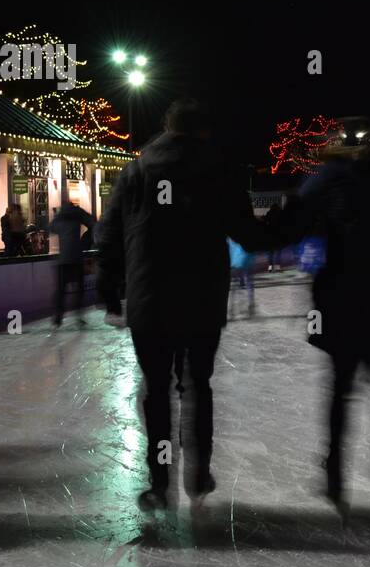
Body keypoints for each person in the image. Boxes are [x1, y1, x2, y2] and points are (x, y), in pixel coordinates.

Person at [95, 99, 278, 511]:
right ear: (204, 132)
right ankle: (198, 472)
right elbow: (250, 236)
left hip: (149, 298)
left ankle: (159, 484)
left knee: (156, 391)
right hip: (201, 299)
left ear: (167, 127)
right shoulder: (218, 171)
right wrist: (294, 223)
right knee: (197, 386)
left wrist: (108, 291)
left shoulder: (136, 170)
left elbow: (109, 235)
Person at [285, 142, 370, 519]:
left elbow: (297, 215)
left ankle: (335, 474)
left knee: (341, 390)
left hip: (342, 302)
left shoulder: (330, 181)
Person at [50, 199, 95, 327]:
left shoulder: (60, 217)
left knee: (61, 291)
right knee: (79, 290)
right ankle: (79, 315)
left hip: (63, 259)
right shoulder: (76, 215)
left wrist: (57, 215)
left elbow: (51, 228)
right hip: (76, 258)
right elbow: (92, 221)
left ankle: (58, 318)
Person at [226, 237, 254, 318]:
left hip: (236, 261)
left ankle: (231, 308)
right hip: (246, 260)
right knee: (248, 282)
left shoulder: (229, 237)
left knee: (234, 285)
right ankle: (250, 305)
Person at [264, 202, 283, 271]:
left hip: (270, 236)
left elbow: (265, 221)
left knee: (270, 253)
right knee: (278, 253)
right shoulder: (281, 214)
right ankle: (277, 267)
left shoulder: (269, 213)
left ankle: (270, 268)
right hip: (278, 236)